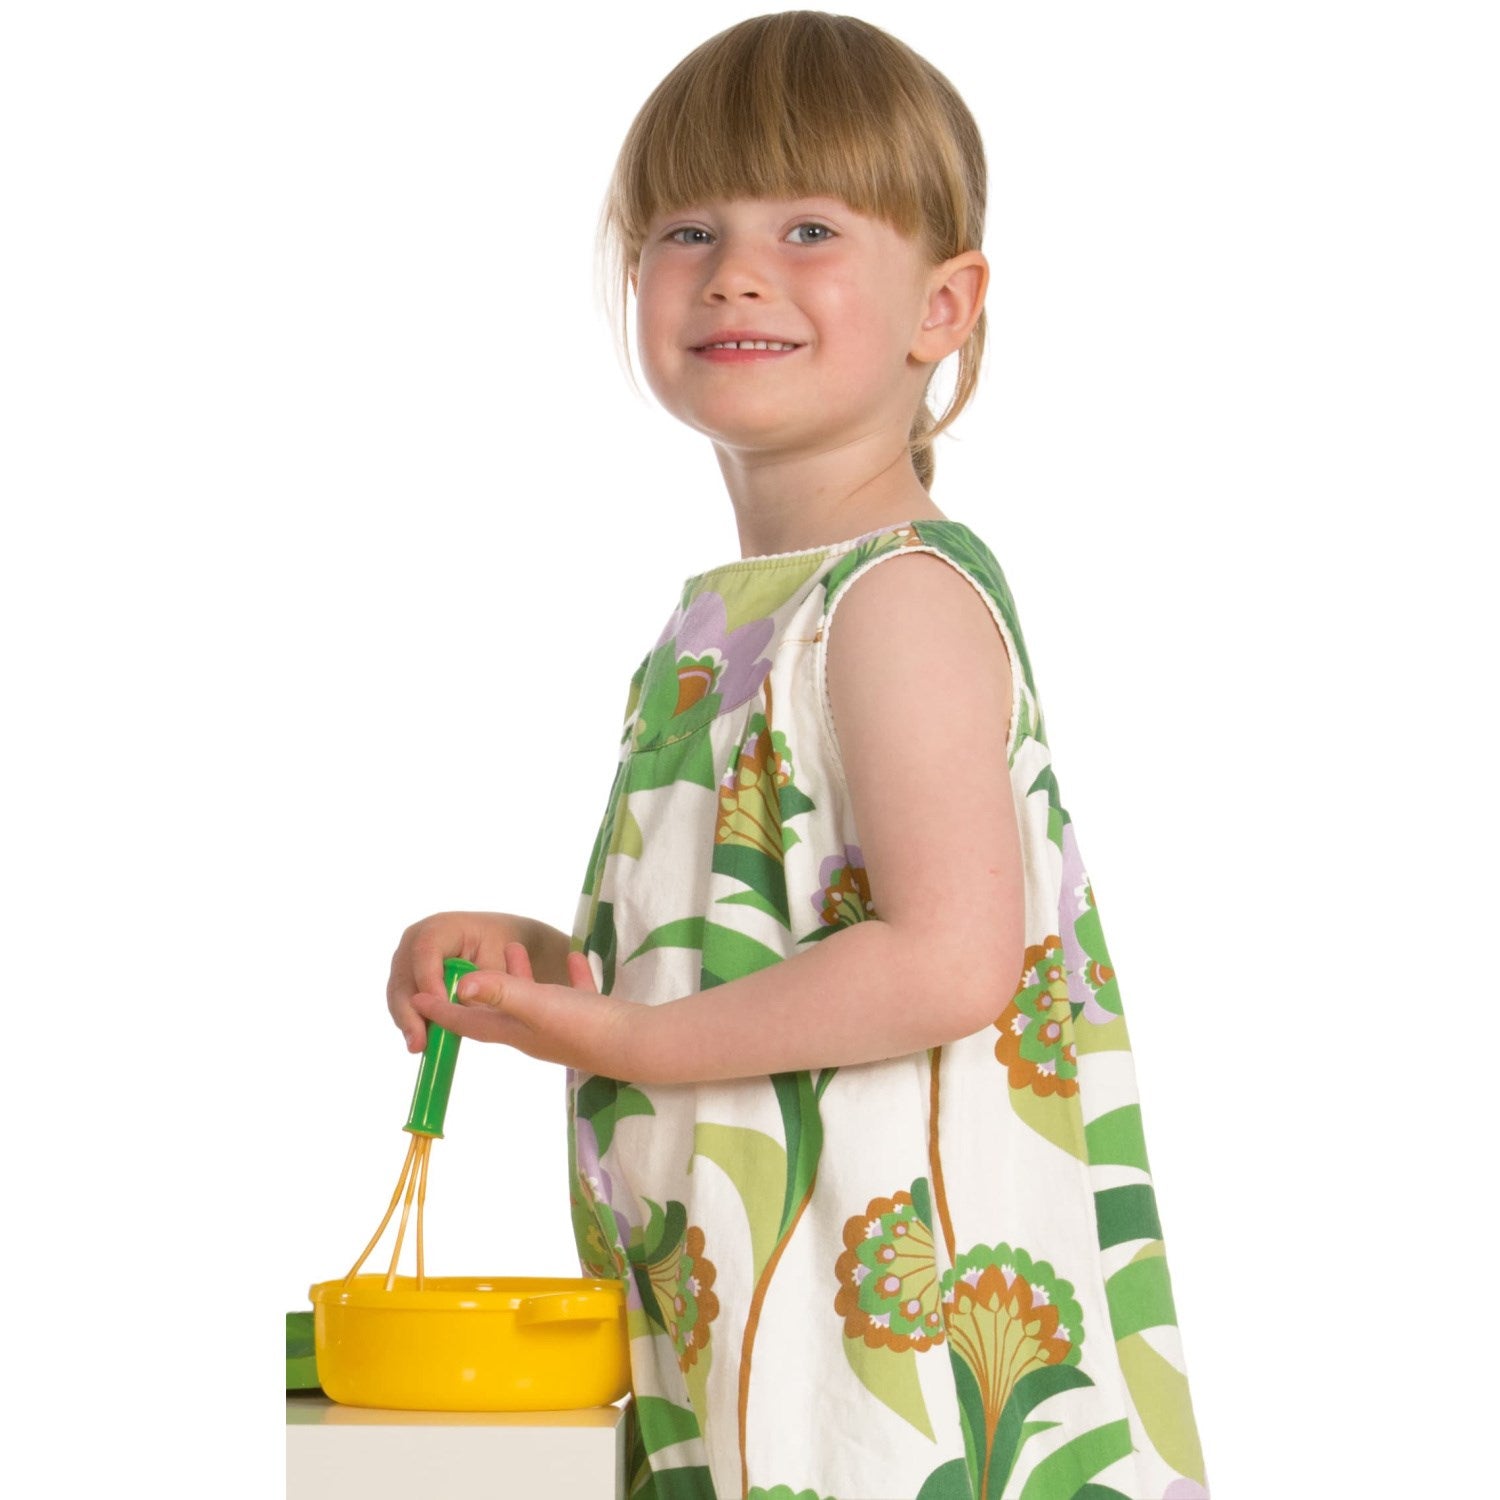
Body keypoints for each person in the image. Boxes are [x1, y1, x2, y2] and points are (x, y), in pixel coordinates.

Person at [387, 12, 1208, 1499]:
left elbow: (945, 959)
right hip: (755, 1306)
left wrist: (623, 1045)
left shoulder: (896, 603)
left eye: (809, 228)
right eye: (687, 230)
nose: (735, 271)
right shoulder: (730, 619)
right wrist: (543, 973)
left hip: (894, 1352)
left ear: (943, 306)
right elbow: (752, 934)